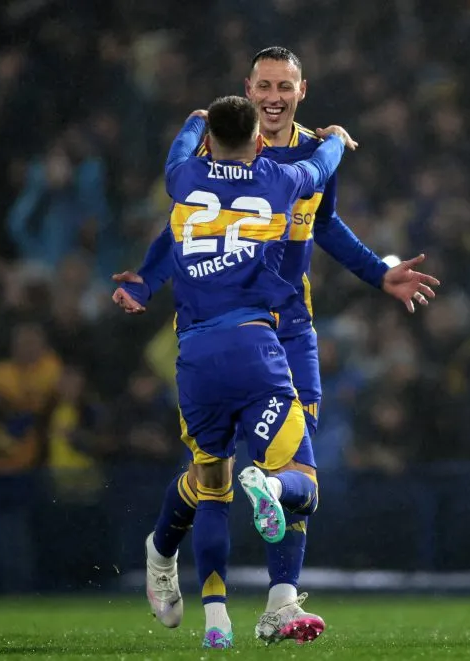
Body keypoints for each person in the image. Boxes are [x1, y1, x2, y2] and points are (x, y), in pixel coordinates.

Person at [112, 47, 439, 645]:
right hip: (222, 320)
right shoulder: (229, 143)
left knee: (292, 463)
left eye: (283, 86)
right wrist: (149, 280)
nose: (272, 96)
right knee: (214, 472)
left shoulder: (310, 151)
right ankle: (167, 557)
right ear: (248, 87)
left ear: (301, 90)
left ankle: (280, 604)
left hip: (290, 329)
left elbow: (327, 223)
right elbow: (179, 224)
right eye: (263, 85)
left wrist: (377, 273)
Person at [117, 95, 351, 649]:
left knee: (211, 485)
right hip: (255, 348)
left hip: (195, 358)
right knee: (304, 480)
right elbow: (321, 166)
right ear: (257, 141)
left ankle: (215, 621)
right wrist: (338, 137)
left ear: (206, 140)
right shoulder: (276, 180)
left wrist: (195, 119)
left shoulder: (182, 174)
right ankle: (269, 484)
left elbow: (180, 145)